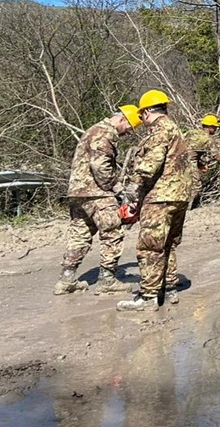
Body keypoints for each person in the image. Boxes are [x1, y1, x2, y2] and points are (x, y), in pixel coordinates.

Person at [116, 88, 193, 311]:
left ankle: (148, 297)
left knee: (150, 247)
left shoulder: (159, 130)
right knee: (168, 245)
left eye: (141, 115)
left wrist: (133, 189)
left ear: (147, 111)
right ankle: (169, 289)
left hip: (161, 198)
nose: (142, 120)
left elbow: (151, 163)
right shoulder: (175, 129)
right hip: (179, 196)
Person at [53, 104, 142, 296]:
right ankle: (107, 280)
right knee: (113, 231)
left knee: (80, 234)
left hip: (78, 192)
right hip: (96, 192)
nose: (127, 133)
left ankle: (66, 279)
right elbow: (100, 166)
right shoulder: (105, 133)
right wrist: (118, 189)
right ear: (122, 119)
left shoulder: (93, 130)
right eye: (129, 128)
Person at [166, 113, 220, 287]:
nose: (215, 130)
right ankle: (188, 208)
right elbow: (217, 156)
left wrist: (199, 162)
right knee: (195, 185)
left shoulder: (191, 132)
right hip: (188, 163)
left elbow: (189, 148)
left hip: (177, 161)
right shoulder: (207, 139)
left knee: (183, 183)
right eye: (215, 128)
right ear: (211, 127)